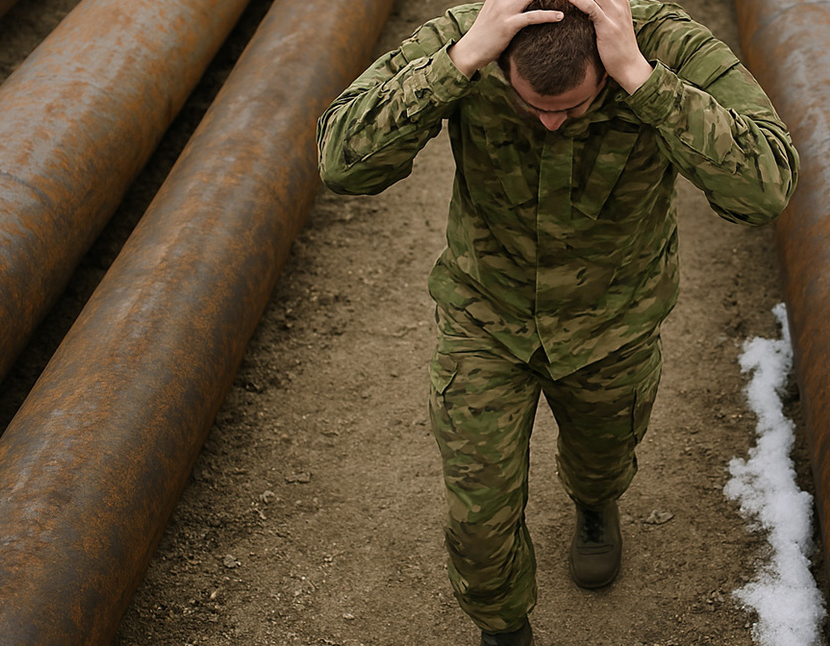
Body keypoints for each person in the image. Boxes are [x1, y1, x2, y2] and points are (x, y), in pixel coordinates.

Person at [316, 0, 798, 642]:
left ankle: (596, 504)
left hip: (613, 323)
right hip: (487, 317)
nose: (550, 121)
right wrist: (456, 64)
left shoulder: (664, 46)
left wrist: (643, 81)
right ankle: (504, 628)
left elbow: (766, 188)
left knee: (603, 459)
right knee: (478, 517)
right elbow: (341, 162)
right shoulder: (470, 37)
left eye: (572, 107)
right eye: (531, 104)